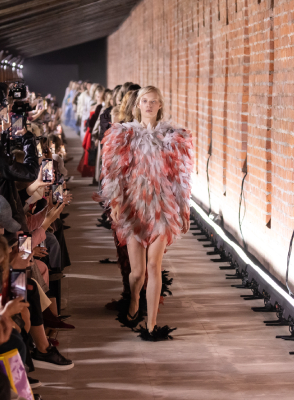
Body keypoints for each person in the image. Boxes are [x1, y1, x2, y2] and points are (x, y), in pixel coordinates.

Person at [100, 86, 193, 341]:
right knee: (138, 273)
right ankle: (133, 299)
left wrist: (183, 207)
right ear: (137, 105)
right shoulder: (124, 135)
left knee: (154, 265)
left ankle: (151, 326)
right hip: (134, 209)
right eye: (144, 101)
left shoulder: (172, 138)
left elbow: (180, 176)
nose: (149, 105)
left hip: (162, 209)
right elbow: (113, 172)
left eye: (153, 101)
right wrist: (116, 201)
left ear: (160, 105)